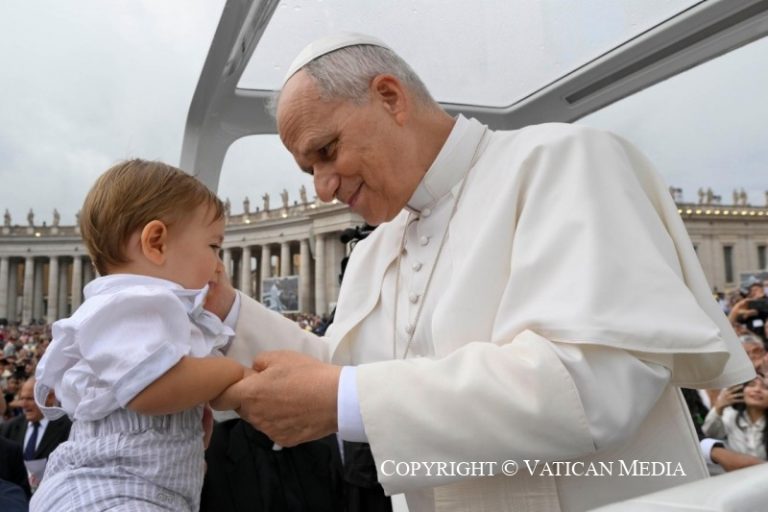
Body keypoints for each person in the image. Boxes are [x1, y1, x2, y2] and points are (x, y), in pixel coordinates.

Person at [207, 34, 756, 511]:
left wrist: (343, 398)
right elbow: (337, 372)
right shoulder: (374, 250)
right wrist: (225, 310)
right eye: (310, 170)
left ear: (390, 97)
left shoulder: (564, 161)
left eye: (327, 152)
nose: (323, 187)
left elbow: (592, 383)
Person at [30, 160, 251, 511]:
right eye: (214, 247)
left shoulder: (149, 308)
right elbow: (150, 386)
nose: (220, 265)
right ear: (156, 243)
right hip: (110, 492)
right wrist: (231, 371)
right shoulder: (134, 303)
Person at [702, 376, 768, 460]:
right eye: (752, 385)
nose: (757, 390)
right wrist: (719, 406)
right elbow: (709, 432)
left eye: (765, 387)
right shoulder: (731, 416)